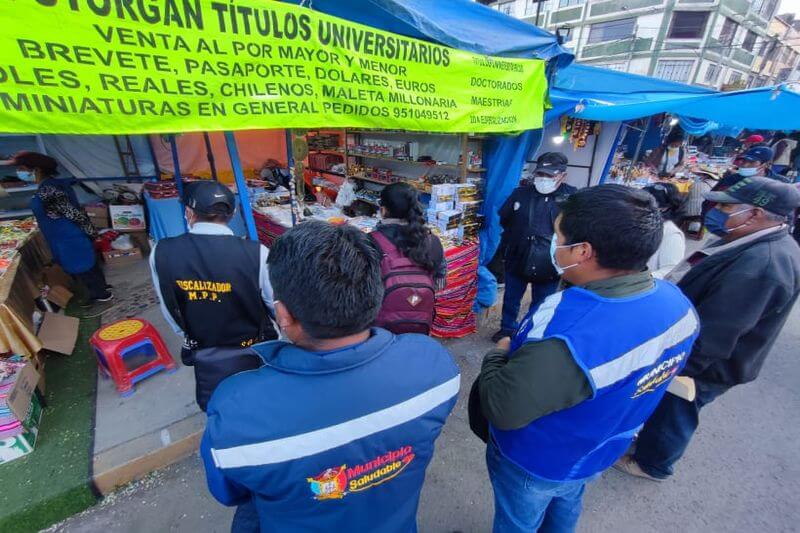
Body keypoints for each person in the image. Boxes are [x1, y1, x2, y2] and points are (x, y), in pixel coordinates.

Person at [201, 221, 459, 532]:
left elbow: (229, 492)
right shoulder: (434, 367)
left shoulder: (236, 411)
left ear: (283, 315)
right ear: (376, 295)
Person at [476, 185, 699, 532]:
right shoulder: (679, 306)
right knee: (567, 501)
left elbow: (503, 407)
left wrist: (498, 354)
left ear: (582, 251)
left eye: (557, 235)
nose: (553, 242)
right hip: (601, 448)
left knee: (518, 521)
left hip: (538, 459)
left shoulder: (568, 329)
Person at [615, 176, 800, 482]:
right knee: (667, 407)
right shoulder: (749, 239)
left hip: (708, 363)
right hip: (700, 348)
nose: (716, 211)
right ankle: (650, 445)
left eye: (726, 207)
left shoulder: (762, 265)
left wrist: (679, 367)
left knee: (678, 408)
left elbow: (719, 331)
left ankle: (653, 464)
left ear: (755, 213)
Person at [150, 181, 277, 411]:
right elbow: (273, 304)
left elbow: (169, 306)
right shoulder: (257, 252)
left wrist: (189, 335)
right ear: (234, 213)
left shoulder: (162, 251)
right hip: (253, 348)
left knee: (218, 400)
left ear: (188, 213)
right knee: (258, 398)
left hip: (203, 348)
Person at [3, 152, 111, 303]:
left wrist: (91, 232)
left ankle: (100, 295)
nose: (21, 172)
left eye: (23, 169)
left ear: (37, 170)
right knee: (87, 264)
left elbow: (73, 213)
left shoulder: (49, 190)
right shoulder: (51, 185)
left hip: (68, 236)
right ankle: (102, 289)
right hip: (63, 235)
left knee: (82, 266)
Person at [492, 152, 576, 342]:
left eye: (549, 175)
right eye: (541, 174)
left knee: (542, 302)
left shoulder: (572, 199)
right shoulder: (520, 193)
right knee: (512, 298)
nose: (543, 179)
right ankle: (507, 329)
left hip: (550, 262)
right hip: (517, 256)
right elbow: (505, 219)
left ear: (562, 175)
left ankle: (531, 332)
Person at [370, 182, 446, 335]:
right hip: (420, 325)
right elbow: (440, 283)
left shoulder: (369, 242)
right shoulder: (433, 242)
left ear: (383, 210)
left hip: (378, 331)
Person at [644, 183, 685, 278]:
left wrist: (637, 281)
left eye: (646, 204)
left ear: (664, 208)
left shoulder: (671, 234)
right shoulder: (634, 223)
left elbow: (670, 270)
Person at [678, 167, 721, 239]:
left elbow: (685, 199)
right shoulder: (719, 185)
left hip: (694, 213)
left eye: (700, 175)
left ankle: (676, 231)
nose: (699, 176)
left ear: (706, 176)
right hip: (712, 213)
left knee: (678, 209)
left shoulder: (697, 185)